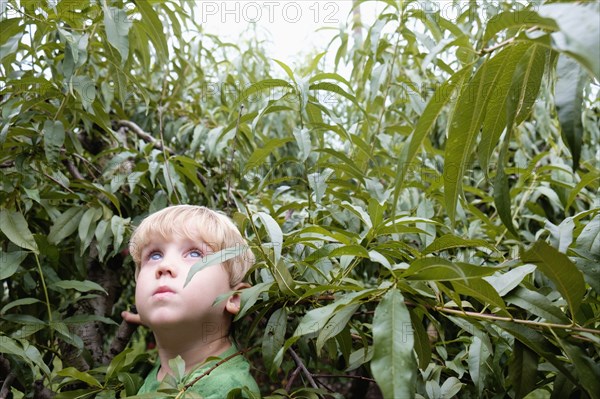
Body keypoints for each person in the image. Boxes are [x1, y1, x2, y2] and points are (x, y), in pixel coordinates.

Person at [121, 205, 260, 397]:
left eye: (195, 254)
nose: (164, 266)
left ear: (235, 298)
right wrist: (149, 316)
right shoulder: (163, 372)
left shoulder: (228, 390)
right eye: (154, 255)